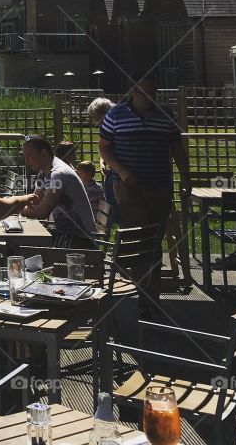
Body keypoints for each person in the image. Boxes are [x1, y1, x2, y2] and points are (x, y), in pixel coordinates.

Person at [99, 74, 191, 312]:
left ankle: (152, 296)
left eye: (153, 93)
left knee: (154, 241)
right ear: (133, 91)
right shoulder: (116, 114)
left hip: (160, 186)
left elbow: (177, 147)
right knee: (139, 240)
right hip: (129, 188)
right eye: (144, 92)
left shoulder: (165, 115)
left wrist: (185, 175)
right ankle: (144, 298)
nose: (149, 98)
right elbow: (104, 148)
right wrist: (121, 171)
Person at [20, 135, 96, 249]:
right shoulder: (43, 173)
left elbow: (41, 212)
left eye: (29, 156)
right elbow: (35, 202)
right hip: (65, 233)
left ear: (44, 154)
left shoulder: (58, 174)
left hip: (79, 241)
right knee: (25, 243)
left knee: (24, 246)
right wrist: (16, 205)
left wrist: (13, 207)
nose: (26, 161)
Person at [87, 97, 116, 220]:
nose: (93, 120)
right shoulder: (106, 124)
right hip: (114, 168)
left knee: (114, 204)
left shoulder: (112, 122)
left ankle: (110, 225)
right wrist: (102, 161)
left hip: (118, 170)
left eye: (93, 116)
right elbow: (104, 146)